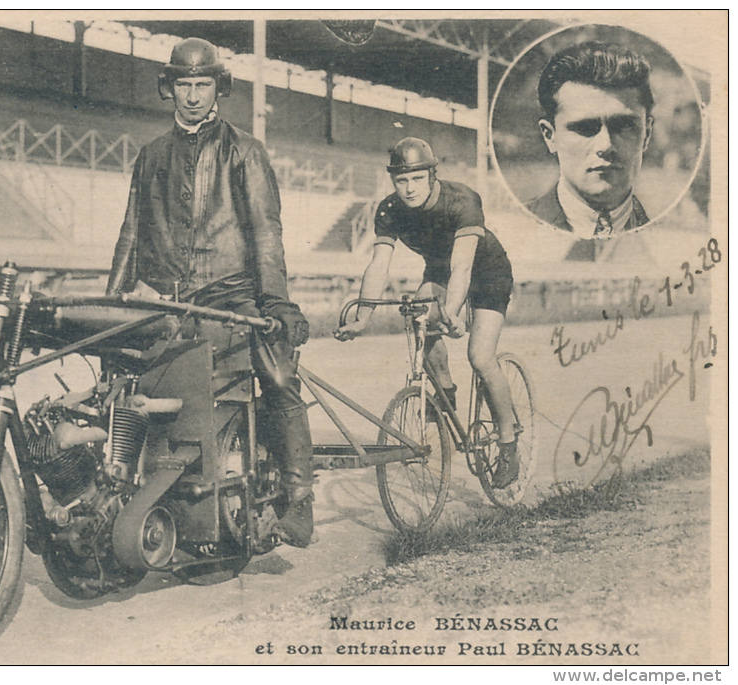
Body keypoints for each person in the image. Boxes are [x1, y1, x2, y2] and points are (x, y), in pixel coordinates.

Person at [106, 38, 316, 546]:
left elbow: (266, 233)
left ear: (218, 88)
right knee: (119, 384)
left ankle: (299, 498)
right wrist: (111, 304)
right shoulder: (151, 155)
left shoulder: (244, 150)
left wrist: (276, 304)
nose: (193, 95)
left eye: (202, 84)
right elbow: (131, 234)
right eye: (184, 84)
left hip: (232, 297)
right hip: (171, 302)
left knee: (279, 375)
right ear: (169, 89)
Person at [334, 138, 521, 488]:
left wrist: (451, 312)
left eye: (417, 179)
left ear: (433, 175)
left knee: (480, 357)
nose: (409, 189)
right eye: (401, 181)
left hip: (487, 272)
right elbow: (379, 264)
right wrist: (363, 316)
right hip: (440, 272)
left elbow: (463, 266)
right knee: (419, 318)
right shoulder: (390, 210)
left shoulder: (461, 200)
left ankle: (509, 444)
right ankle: (444, 393)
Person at [527, 41, 655, 238]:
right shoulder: (514, 225)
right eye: (584, 128)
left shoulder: (673, 236)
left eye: (624, 126)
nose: (606, 145)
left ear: (646, 134)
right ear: (550, 136)